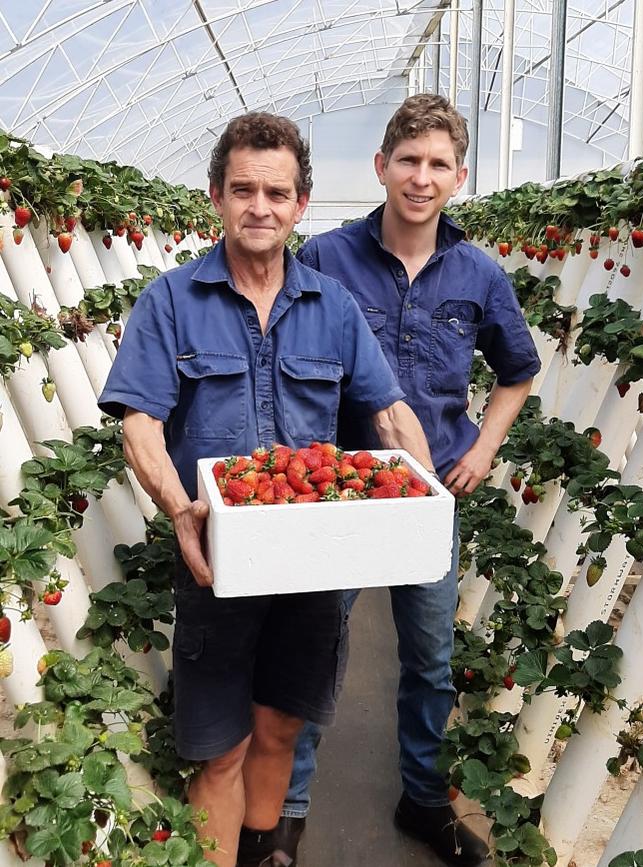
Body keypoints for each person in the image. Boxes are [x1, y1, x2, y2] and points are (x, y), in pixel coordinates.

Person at [98, 111, 437, 867]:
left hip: (314, 567)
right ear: (215, 195)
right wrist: (178, 505)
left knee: (282, 726)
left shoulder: (333, 307)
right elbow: (141, 424)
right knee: (221, 748)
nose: (260, 206)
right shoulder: (170, 301)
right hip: (216, 559)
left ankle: (263, 850)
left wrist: (425, 489)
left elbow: (388, 411)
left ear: (300, 203)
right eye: (243, 189)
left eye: (276, 192)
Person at [275, 94, 542, 866]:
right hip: (344, 492)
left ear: (459, 176)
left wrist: (484, 447)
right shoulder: (324, 257)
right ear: (381, 166)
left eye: (437, 165)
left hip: (430, 501)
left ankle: (421, 796)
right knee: (318, 646)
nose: (420, 179)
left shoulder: (479, 273)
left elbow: (517, 372)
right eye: (407, 161)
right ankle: (287, 812)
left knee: (427, 658)